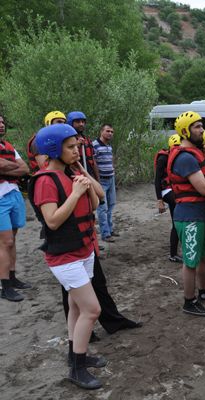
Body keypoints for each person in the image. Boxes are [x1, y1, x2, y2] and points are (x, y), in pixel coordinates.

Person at [29, 124, 105, 389]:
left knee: (75, 307)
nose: (77, 151)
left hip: (83, 250)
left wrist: (85, 183)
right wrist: (75, 193)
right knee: (92, 309)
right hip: (64, 256)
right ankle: (77, 369)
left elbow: (96, 204)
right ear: (53, 149)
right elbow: (52, 221)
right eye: (71, 147)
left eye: (77, 146)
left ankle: (76, 355)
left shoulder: (72, 173)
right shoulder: (44, 181)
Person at [166, 111, 205, 317]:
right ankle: (189, 301)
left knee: (202, 257)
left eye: (201, 126)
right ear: (185, 131)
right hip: (188, 216)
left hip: (198, 215)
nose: (202, 130)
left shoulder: (195, 153)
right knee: (191, 261)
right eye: (197, 127)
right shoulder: (185, 158)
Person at [0, 114, 32, 302]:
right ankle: (5, 286)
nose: (2, 125)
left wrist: (5, 167)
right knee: (6, 242)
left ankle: (12, 278)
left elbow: (25, 169)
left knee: (12, 240)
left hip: (14, 194)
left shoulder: (8, 146)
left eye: (3, 122)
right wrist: (10, 166)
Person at [155, 134, 182, 263]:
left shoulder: (180, 156)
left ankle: (175, 251)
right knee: (177, 221)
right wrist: (159, 200)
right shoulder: (163, 158)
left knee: (178, 221)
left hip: (175, 189)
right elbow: (156, 180)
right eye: (175, 147)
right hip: (166, 191)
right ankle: (173, 254)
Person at [92, 124, 118, 242]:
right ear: (101, 131)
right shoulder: (95, 145)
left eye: (112, 132)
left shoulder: (109, 146)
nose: (110, 133)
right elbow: (94, 163)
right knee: (102, 207)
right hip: (101, 180)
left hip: (111, 178)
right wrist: (97, 180)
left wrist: (113, 169)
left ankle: (110, 229)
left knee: (111, 205)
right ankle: (105, 234)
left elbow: (110, 160)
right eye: (108, 131)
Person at [67, 111, 99, 180]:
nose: (81, 124)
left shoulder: (88, 140)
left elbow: (93, 161)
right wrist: (76, 145)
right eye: (78, 122)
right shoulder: (66, 141)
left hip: (90, 175)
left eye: (83, 122)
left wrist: (98, 179)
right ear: (70, 123)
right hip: (76, 177)